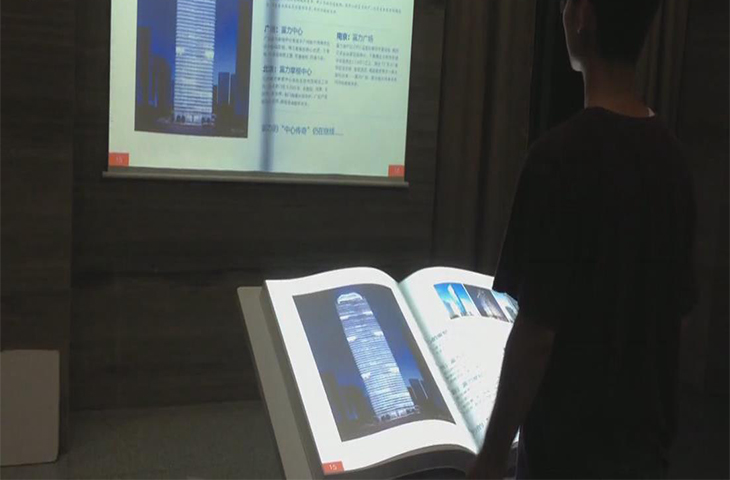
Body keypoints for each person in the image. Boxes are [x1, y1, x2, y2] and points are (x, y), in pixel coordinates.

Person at [468, 0, 697, 478]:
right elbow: (674, 318)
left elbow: (536, 336)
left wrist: (490, 458)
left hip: (564, 458)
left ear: (582, 17)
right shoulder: (675, 163)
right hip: (644, 456)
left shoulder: (556, 160)